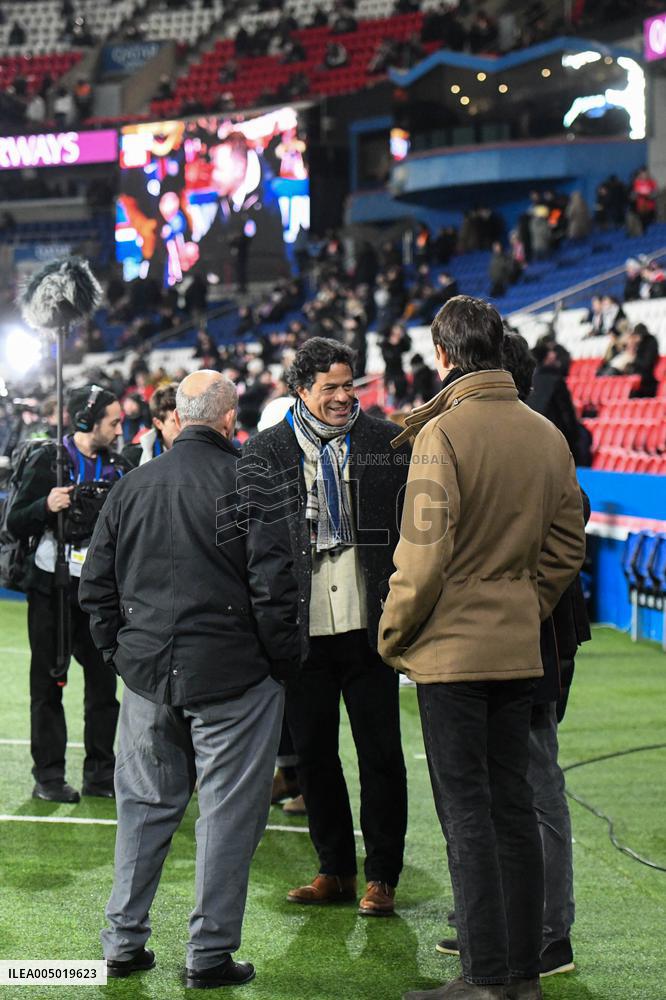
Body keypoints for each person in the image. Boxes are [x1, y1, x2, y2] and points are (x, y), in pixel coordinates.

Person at [379, 296, 586, 1000]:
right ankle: (522, 975)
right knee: (513, 810)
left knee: (467, 815)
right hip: (518, 647)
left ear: (443, 354)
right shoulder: (545, 432)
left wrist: (395, 631)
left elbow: (423, 554)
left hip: (451, 655)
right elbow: (568, 544)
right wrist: (524, 604)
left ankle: (485, 976)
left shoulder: (443, 433)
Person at [79, 372, 300, 987]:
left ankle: (122, 943)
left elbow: (95, 587)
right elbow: (276, 588)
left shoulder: (133, 485)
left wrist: (120, 655)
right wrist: (281, 664)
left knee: (143, 812)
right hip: (234, 676)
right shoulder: (249, 483)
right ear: (230, 419)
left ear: (177, 416)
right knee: (227, 818)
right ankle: (208, 955)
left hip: (148, 675)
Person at [435, 332, 591, 980]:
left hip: (534, 642)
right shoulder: (533, 436)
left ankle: (545, 933)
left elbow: (565, 543)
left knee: (530, 785)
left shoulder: (533, 440)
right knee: (506, 786)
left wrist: (521, 602)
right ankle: (504, 926)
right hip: (523, 635)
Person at [244, 337, 410, 916]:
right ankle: (334, 869)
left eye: (349, 385)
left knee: (381, 755)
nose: (343, 397)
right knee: (313, 756)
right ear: (301, 390)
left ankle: (383, 875)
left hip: (370, 627)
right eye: (330, 388)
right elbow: (251, 542)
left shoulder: (386, 442)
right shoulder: (266, 450)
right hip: (303, 629)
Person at [7, 385, 127, 803]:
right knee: (48, 683)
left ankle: (100, 774)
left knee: (103, 686)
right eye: (114, 422)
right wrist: (46, 505)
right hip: (51, 588)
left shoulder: (119, 466)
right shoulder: (49, 461)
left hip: (99, 591)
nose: (120, 429)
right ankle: (49, 777)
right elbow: (14, 522)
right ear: (86, 421)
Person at [195, 132, 288, 285]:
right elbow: (212, 237)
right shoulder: (225, 201)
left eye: (219, 169)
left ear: (239, 169)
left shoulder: (265, 204)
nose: (213, 177)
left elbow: (269, 252)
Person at [122, 382, 179, 468]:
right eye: (174, 421)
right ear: (158, 423)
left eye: (185, 419)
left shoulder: (198, 448)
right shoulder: (134, 457)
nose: (183, 426)